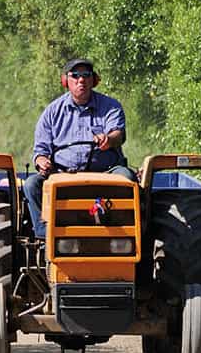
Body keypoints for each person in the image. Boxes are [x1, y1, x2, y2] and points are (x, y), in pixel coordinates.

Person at [23, 57, 135, 240]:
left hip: (105, 173)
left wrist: (109, 139)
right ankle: (45, 236)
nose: (81, 80)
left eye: (86, 75)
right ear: (66, 81)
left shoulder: (111, 107)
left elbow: (118, 134)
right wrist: (42, 161)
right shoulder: (52, 112)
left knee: (127, 178)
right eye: (75, 75)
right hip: (62, 174)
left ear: (94, 80)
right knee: (31, 185)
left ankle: (127, 233)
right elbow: (40, 151)